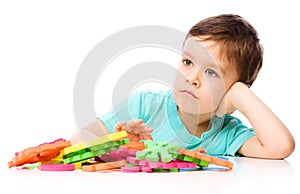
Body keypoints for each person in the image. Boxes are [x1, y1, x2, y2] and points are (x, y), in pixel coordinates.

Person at [70, 14, 295, 159]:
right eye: (188, 62)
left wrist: (239, 94)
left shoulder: (227, 134)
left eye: (211, 72)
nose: (191, 78)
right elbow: (76, 143)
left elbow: (281, 146)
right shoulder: (145, 105)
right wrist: (118, 145)